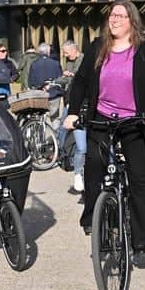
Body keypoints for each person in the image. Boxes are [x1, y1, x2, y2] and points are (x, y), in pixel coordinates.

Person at [64, 1, 145, 268]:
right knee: (93, 164)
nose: (114, 20)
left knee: (138, 179)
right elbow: (80, 82)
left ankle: (141, 242)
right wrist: (73, 111)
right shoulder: (97, 46)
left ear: (132, 21)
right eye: (112, 15)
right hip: (102, 118)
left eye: (120, 16)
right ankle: (92, 216)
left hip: (136, 121)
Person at [56, 40, 87, 193]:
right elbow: (68, 80)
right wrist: (55, 81)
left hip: (86, 108)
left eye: (66, 51)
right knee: (81, 147)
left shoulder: (84, 61)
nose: (64, 55)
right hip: (73, 105)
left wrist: (73, 75)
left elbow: (76, 78)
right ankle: (75, 171)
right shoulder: (69, 62)